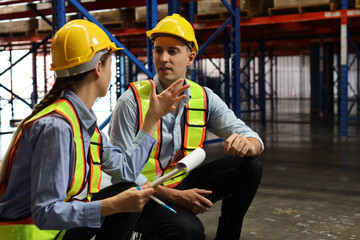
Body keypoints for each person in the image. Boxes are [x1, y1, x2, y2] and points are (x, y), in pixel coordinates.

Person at [0, 19, 189, 240]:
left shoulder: (81, 121)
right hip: (33, 235)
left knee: (130, 192)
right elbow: (46, 213)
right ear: (99, 68)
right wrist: (110, 206)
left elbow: (126, 170)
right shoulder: (57, 127)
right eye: (111, 63)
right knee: (120, 200)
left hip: (56, 231)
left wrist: (152, 118)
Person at [108, 13, 264, 240]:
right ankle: (137, 232)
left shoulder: (204, 97)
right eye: (158, 50)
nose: (163, 59)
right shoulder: (131, 101)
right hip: (143, 193)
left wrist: (248, 145)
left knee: (251, 166)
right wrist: (173, 196)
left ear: (190, 58)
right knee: (189, 231)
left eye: (172, 51)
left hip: (182, 181)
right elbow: (121, 175)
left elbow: (253, 138)